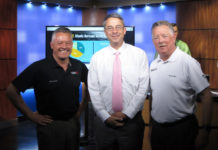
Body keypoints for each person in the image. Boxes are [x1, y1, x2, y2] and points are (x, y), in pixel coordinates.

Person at [6, 27, 88, 150]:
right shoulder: (39, 67)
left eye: (68, 43)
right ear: (52, 45)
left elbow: (90, 85)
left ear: (72, 45)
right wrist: (31, 115)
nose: (64, 46)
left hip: (73, 124)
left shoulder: (79, 65)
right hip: (49, 125)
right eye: (60, 43)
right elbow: (11, 91)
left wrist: (82, 107)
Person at [88, 13, 149, 150]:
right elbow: (93, 90)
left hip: (132, 123)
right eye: (110, 28)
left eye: (118, 27)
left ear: (124, 30)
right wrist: (105, 116)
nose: (114, 31)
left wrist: (127, 114)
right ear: (105, 32)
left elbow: (143, 88)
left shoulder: (139, 55)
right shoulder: (97, 58)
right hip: (103, 124)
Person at [149, 21, 212, 150]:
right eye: (156, 37)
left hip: (182, 130)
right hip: (157, 130)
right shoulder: (153, 65)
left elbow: (207, 95)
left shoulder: (188, 62)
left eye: (164, 36)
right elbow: (153, 96)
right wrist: (151, 125)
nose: (160, 40)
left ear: (173, 37)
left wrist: (205, 130)